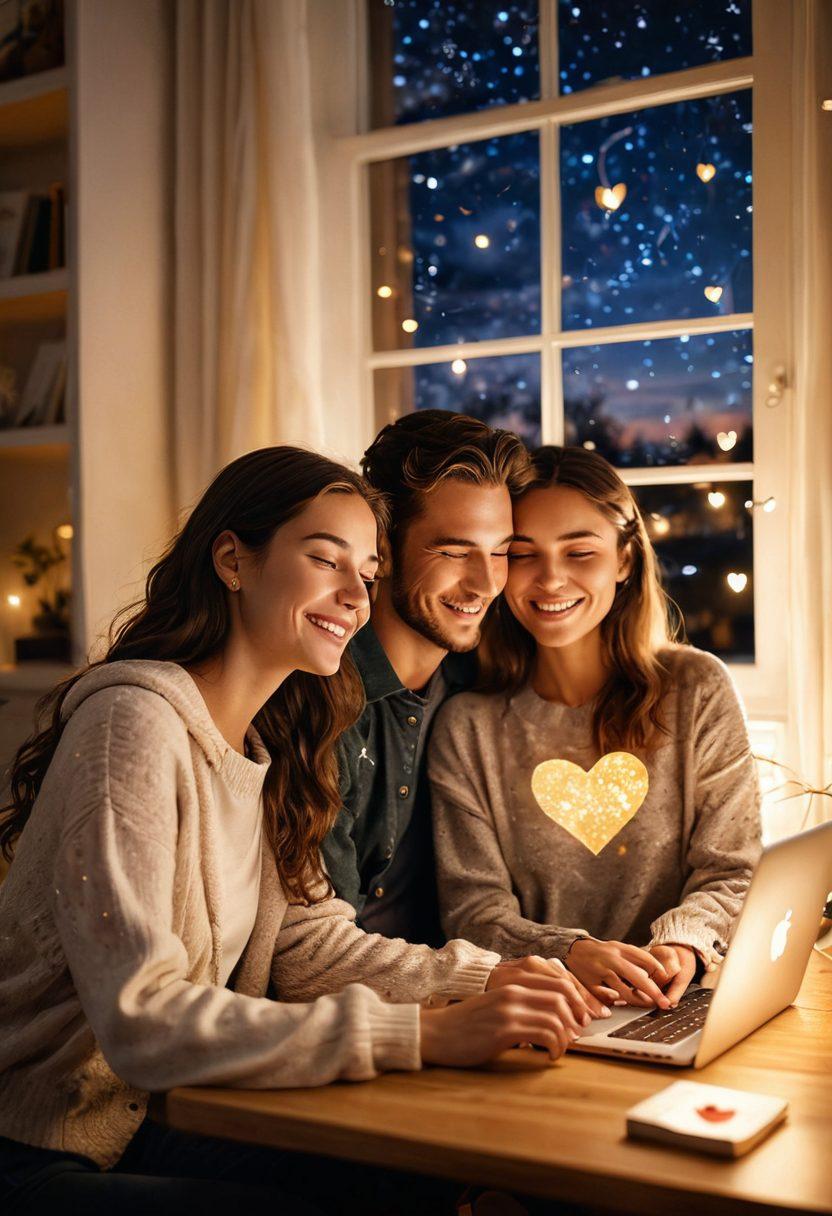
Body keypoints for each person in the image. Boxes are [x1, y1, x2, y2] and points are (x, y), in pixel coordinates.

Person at [0, 446, 601, 1216]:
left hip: (153, 1119)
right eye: (326, 561)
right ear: (232, 560)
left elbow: (308, 945)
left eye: (370, 573)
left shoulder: (267, 746)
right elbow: (142, 1016)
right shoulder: (134, 724)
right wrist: (423, 1033)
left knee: (428, 1175)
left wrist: (492, 984)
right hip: (41, 1146)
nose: (356, 596)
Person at [429, 445, 762, 1011]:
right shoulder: (469, 728)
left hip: (678, 1000)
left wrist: (683, 945)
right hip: (549, 1009)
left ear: (625, 559)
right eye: (525, 554)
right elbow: (474, 912)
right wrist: (571, 952)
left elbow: (732, 869)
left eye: (580, 551)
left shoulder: (696, 688)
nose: (552, 579)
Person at [322, 410, 532, 946]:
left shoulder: (482, 682)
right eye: (455, 551)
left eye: (501, 552)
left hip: (461, 994)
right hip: (368, 1012)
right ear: (383, 551)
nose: (486, 582)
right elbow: (316, 954)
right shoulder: (323, 703)